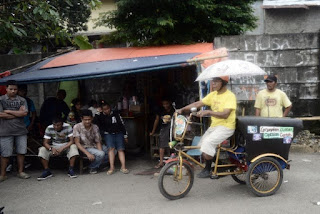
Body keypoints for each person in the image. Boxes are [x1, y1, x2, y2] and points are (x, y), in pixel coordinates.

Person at [177, 76, 236, 178]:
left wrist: (208, 111)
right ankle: (221, 165)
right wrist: (182, 109)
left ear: (223, 83)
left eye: (216, 82)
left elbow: (225, 114)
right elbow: (198, 103)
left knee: (207, 143)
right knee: (201, 146)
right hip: (215, 126)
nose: (213, 84)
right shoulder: (213, 95)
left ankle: (208, 169)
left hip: (226, 126)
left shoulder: (230, 96)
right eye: (212, 82)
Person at [0, 80, 31, 182]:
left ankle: (21, 172)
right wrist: (17, 113)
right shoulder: (1, 100)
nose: (13, 91)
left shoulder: (22, 100)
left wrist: (8, 111)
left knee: (21, 152)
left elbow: (24, 113)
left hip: (20, 130)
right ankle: (3, 174)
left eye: (15, 89)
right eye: (11, 89)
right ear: (6, 88)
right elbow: (0, 115)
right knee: (5, 154)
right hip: (5, 131)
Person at [93, 103, 129, 175]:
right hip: (108, 134)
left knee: (120, 149)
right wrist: (97, 113)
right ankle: (112, 167)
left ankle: (123, 167)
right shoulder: (100, 116)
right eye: (105, 109)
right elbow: (95, 122)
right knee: (111, 149)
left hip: (119, 133)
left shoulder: (116, 114)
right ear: (102, 110)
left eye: (108, 109)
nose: (107, 111)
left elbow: (121, 124)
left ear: (110, 108)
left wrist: (125, 135)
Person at [73, 109, 105, 174]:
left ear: (92, 118)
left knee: (111, 151)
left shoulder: (95, 127)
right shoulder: (77, 127)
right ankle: (93, 167)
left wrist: (100, 152)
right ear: (81, 119)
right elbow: (77, 143)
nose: (87, 121)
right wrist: (88, 153)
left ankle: (93, 165)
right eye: (85, 120)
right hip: (84, 148)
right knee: (101, 154)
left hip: (94, 146)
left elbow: (97, 141)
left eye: (89, 119)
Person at [150, 97, 175, 168]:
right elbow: (157, 120)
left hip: (172, 128)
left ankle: (173, 161)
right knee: (162, 145)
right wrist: (153, 131)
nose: (165, 105)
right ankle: (161, 162)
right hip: (164, 128)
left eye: (167, 104)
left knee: (174, 144)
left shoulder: (174, 110)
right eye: (164, 104)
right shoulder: (161, 111)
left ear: (170, 103)